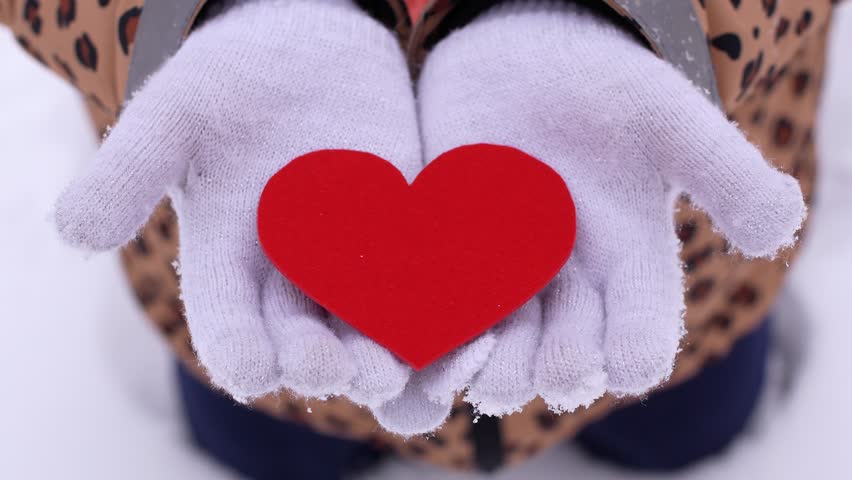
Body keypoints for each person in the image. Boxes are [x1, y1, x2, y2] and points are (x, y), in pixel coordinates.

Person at [2, 0, 841, 477]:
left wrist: (628, 16)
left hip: (676, 270)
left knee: (680, 438)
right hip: (264, 289)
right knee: (269, 452)